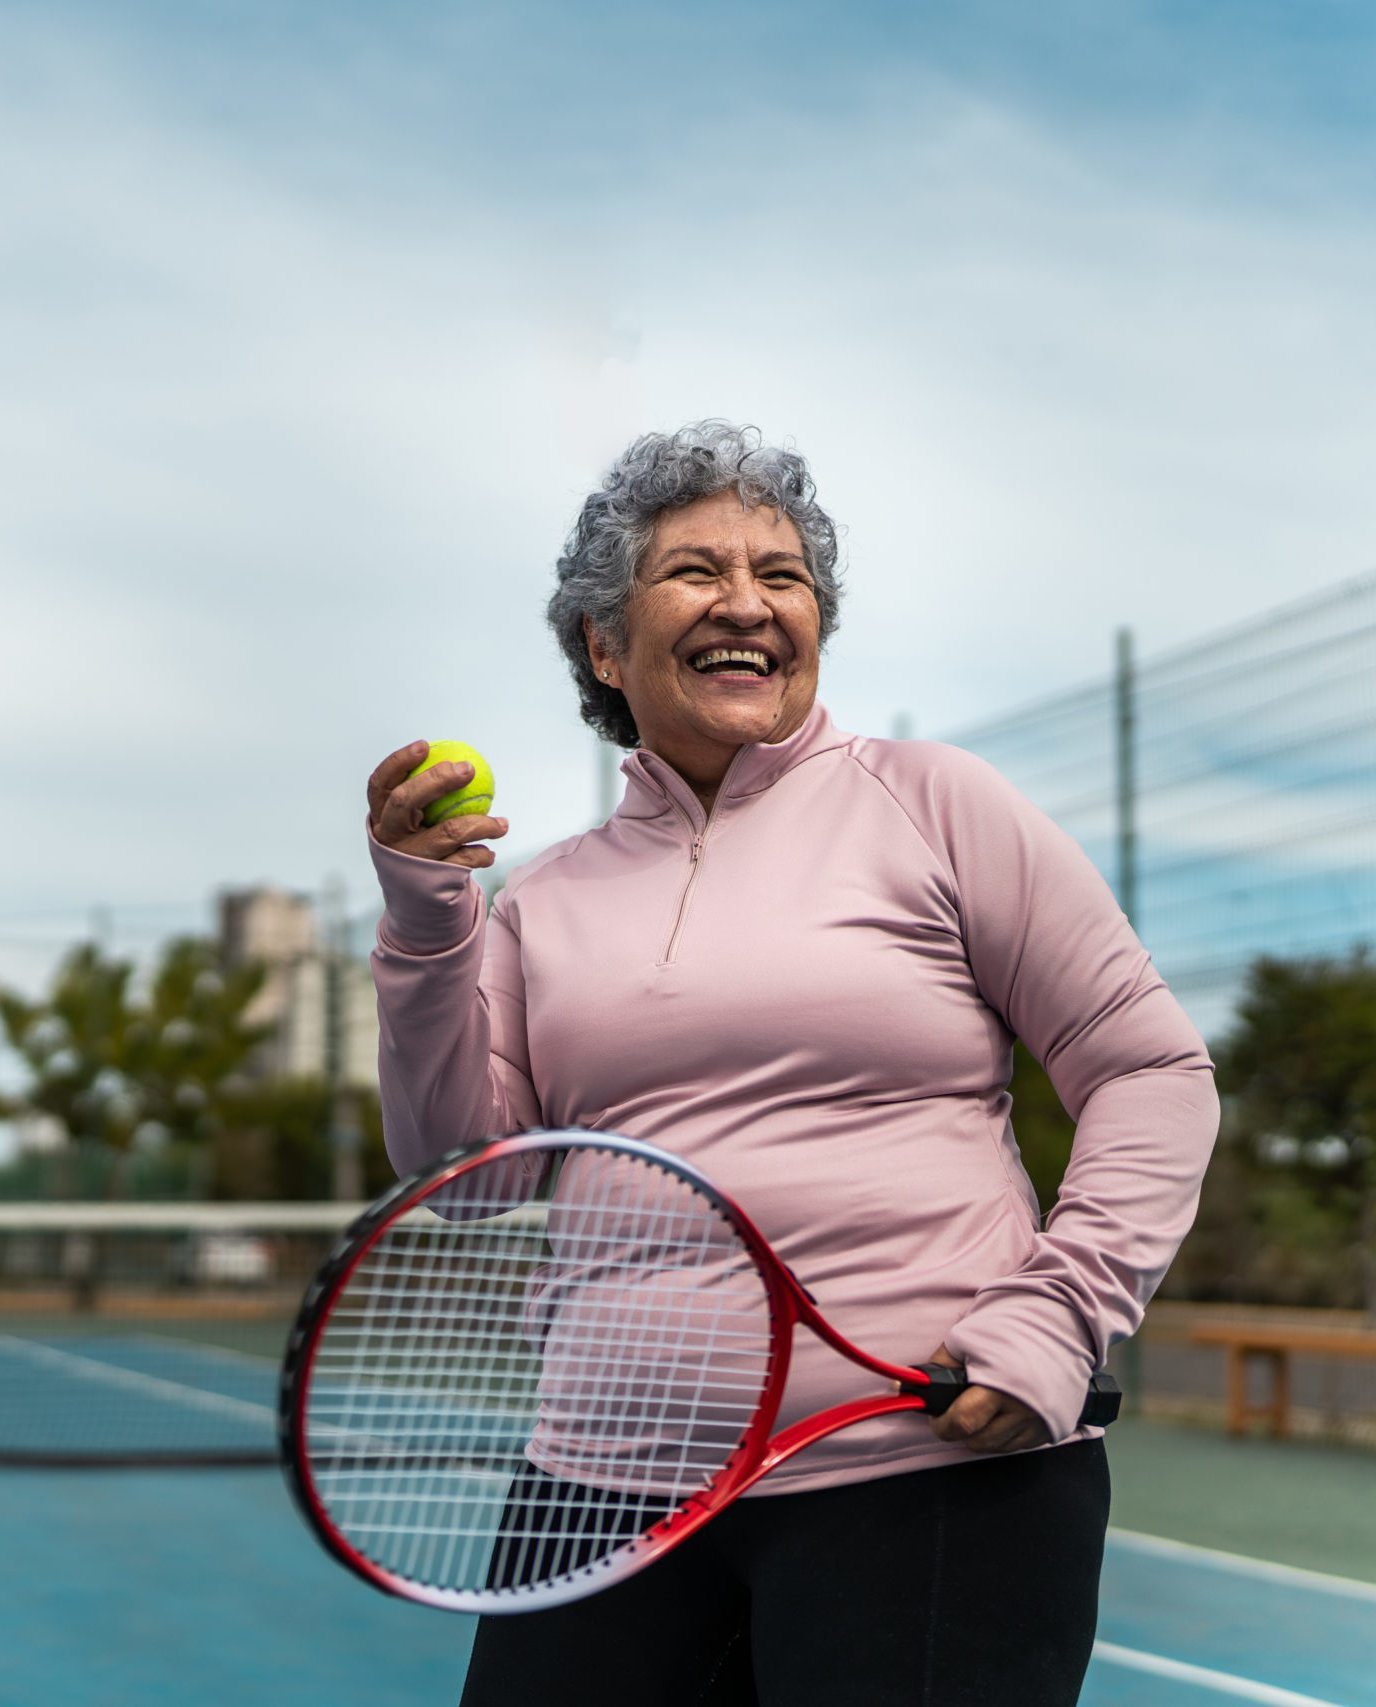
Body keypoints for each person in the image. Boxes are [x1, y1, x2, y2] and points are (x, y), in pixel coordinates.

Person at [362, 421, 1217, 1707]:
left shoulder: (936, 803)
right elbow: (469, 1181)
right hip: (599, 1494)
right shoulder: (541, 903)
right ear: (604, 642)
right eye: (695, 572)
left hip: (923, 1468)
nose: (748, 605)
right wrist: (429, 921)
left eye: (784, 576)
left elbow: (1149, 1071)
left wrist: (1057, 1313)